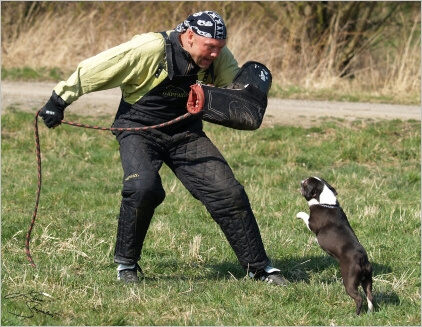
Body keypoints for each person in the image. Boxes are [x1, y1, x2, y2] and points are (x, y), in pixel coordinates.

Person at [40, 10, 287, 285]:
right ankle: (126, 265)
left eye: (221, 48)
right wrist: (58, 100)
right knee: (142, 188)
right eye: (211, 47)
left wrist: (252, 91)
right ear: (190, 37)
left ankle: (259, 268)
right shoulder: (150, 48)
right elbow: (97, 67)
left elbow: (235, 95)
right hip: (138, 129)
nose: (216, 54)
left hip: (185, 134)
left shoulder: (217, 57)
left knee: (228, 192)